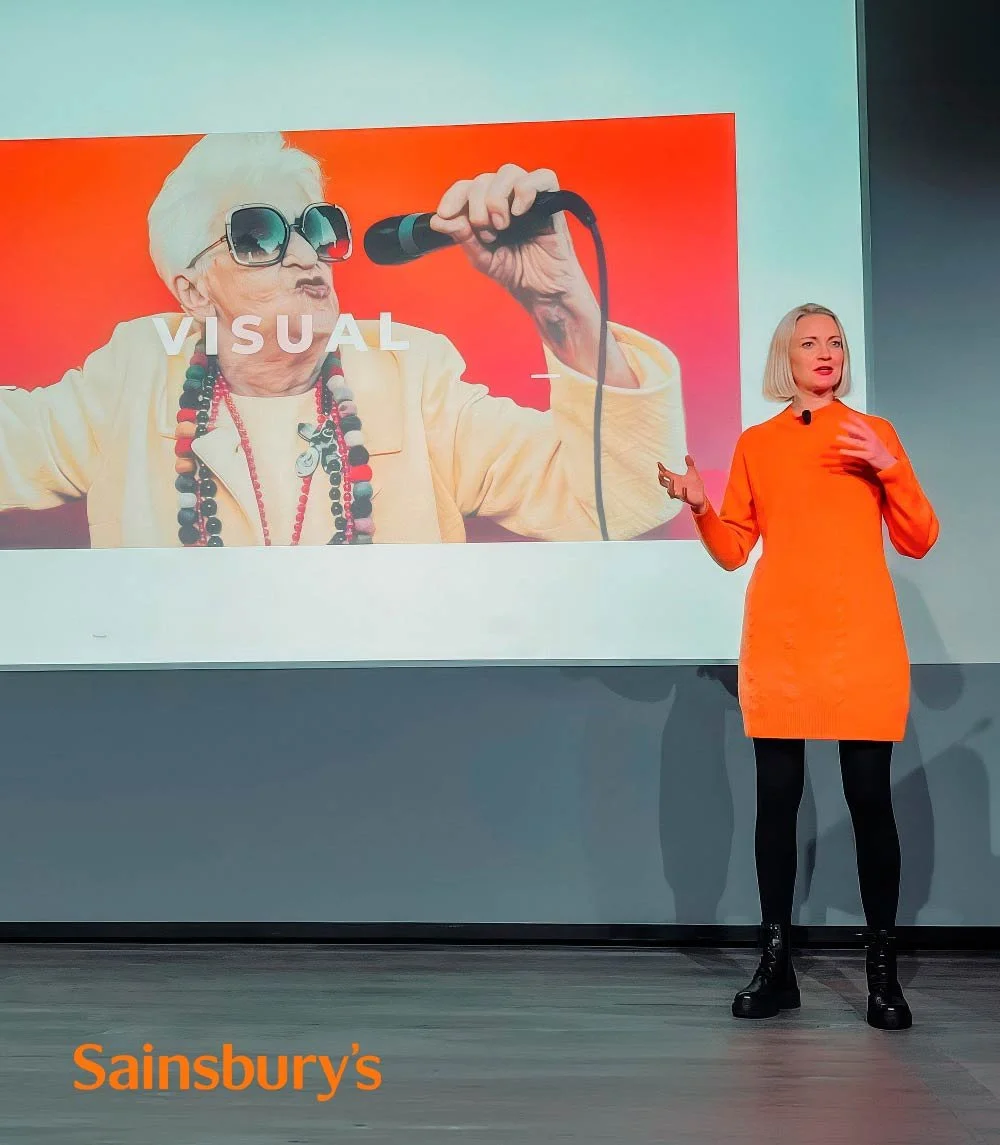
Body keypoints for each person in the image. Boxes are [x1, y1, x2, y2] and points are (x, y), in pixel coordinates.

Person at [0, 131, 686, 548]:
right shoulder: (135, 373)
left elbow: (624, 498)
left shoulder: (413, 374)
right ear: (191, 290)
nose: (307, 254)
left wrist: (563, 308)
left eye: (318, 226)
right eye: (262, 233)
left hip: (388, 741)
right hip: (181, 746)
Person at [657, 303, 939, 1031]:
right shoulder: (759, 443)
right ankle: (777, 964)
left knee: (870, 800)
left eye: (835, 342)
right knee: (776, 801)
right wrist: (697, 506)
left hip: (862, 641)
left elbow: (919, 539)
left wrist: (890, 467)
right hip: (783, 642)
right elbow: (731, 548)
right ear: (786, 357)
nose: (826, 351)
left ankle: (882, 971)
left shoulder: (876, 436)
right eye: (810, 342)